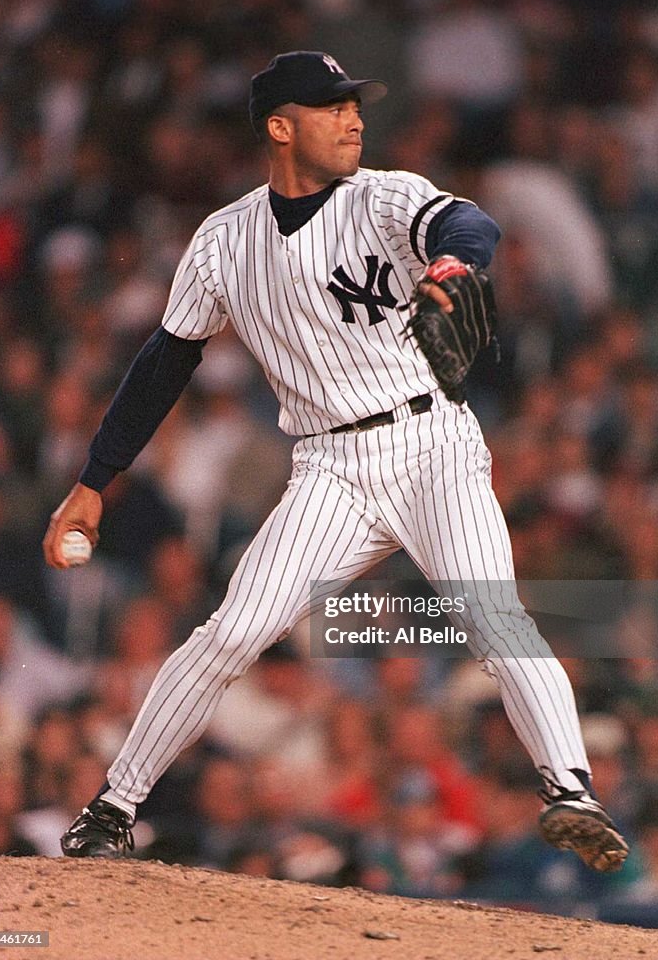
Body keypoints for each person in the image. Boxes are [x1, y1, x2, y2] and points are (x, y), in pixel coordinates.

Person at [44, 51, 628, 873]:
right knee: (231, 632)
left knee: (497, 620)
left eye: (355, 104)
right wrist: (93, 482)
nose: (353, 118)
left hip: (433, 449)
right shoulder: (223, 240)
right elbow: (164, 364)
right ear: (280, 128)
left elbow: (471, 226)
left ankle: (570, 792)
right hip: (328, 469)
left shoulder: (383, 196)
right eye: (330, 107)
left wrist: (455, 265)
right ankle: (112, 808)